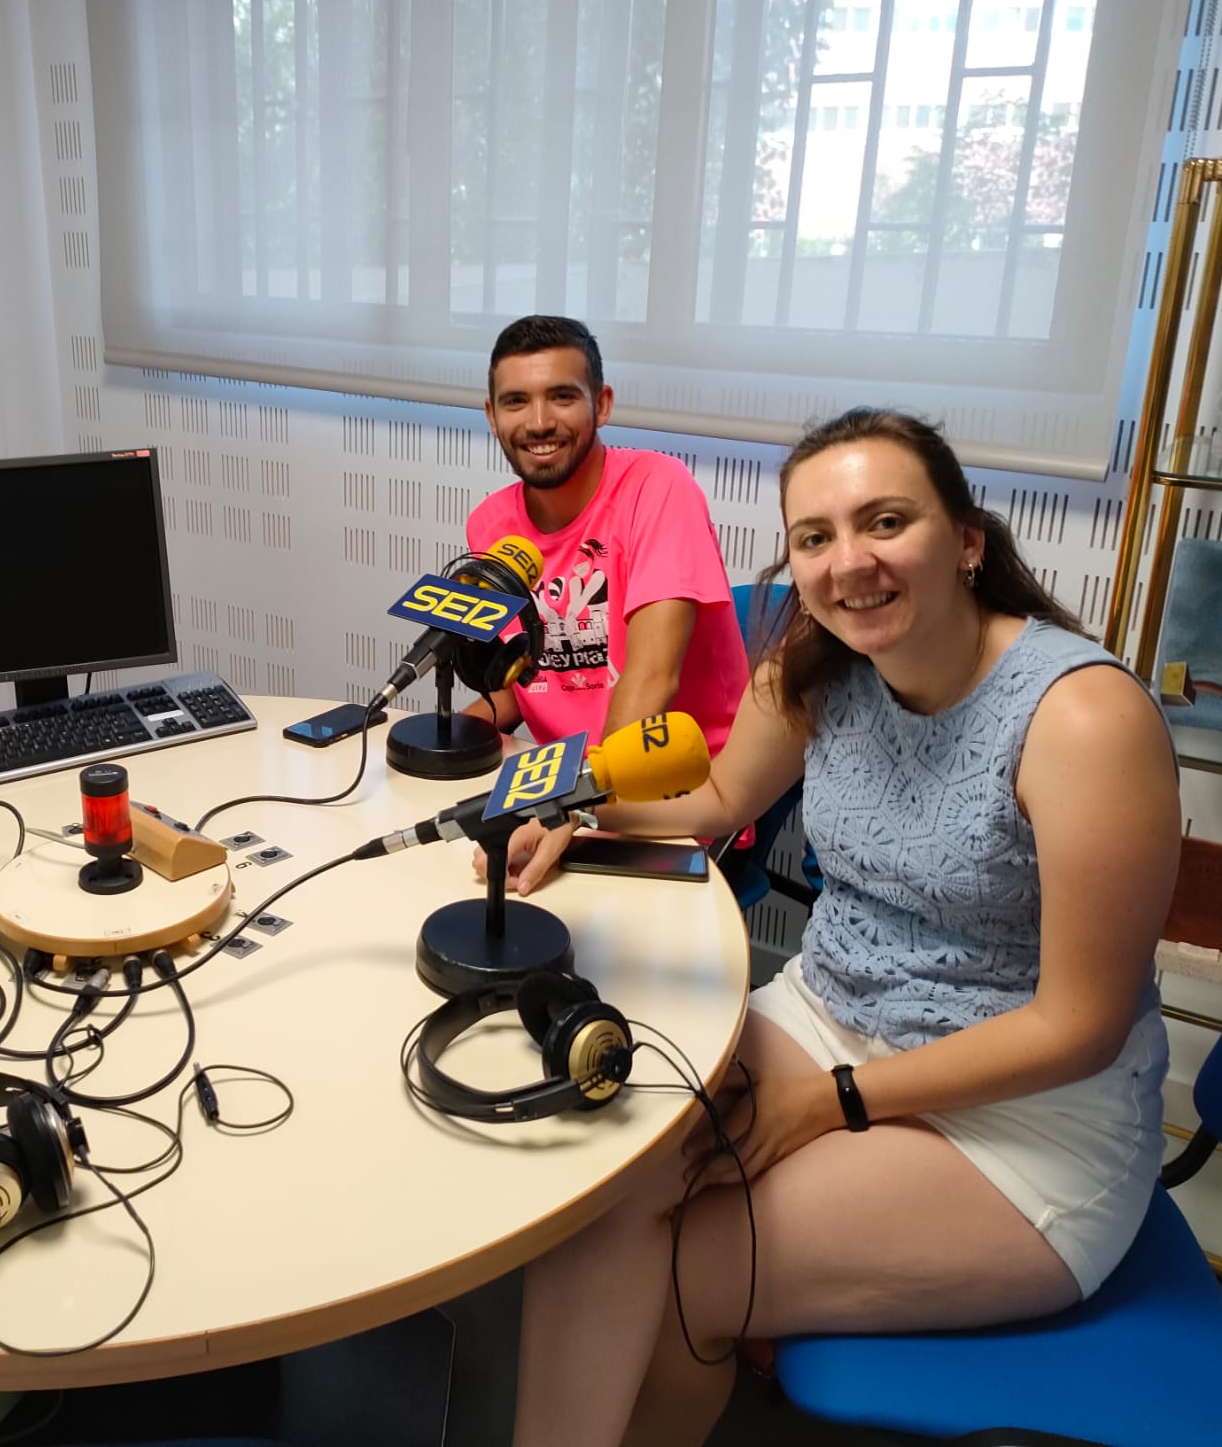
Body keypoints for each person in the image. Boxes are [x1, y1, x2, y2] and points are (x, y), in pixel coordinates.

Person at [490, 408, 1180, 1447]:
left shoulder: (1081, 720)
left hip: (1025, 1119)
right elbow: (714, 801)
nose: (847, 563)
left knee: (683, 1269)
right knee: (594, 1190)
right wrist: (568, 813)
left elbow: (1073, 1027)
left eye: (883, 522)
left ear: (964, 542)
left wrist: (828, 1104)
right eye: (812, 538)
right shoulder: (818, 668)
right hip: (830, 1021)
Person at [465, 316, 746, 754]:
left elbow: (652, 680)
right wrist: (434, 740)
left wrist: (586, 805)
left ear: (602, 404)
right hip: (563, 787)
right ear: (492, 416)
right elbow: (519, 684)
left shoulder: (658, 488)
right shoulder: (489, 524)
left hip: (680, 795)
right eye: (516, 402)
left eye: (561, 397)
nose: (538, 422)